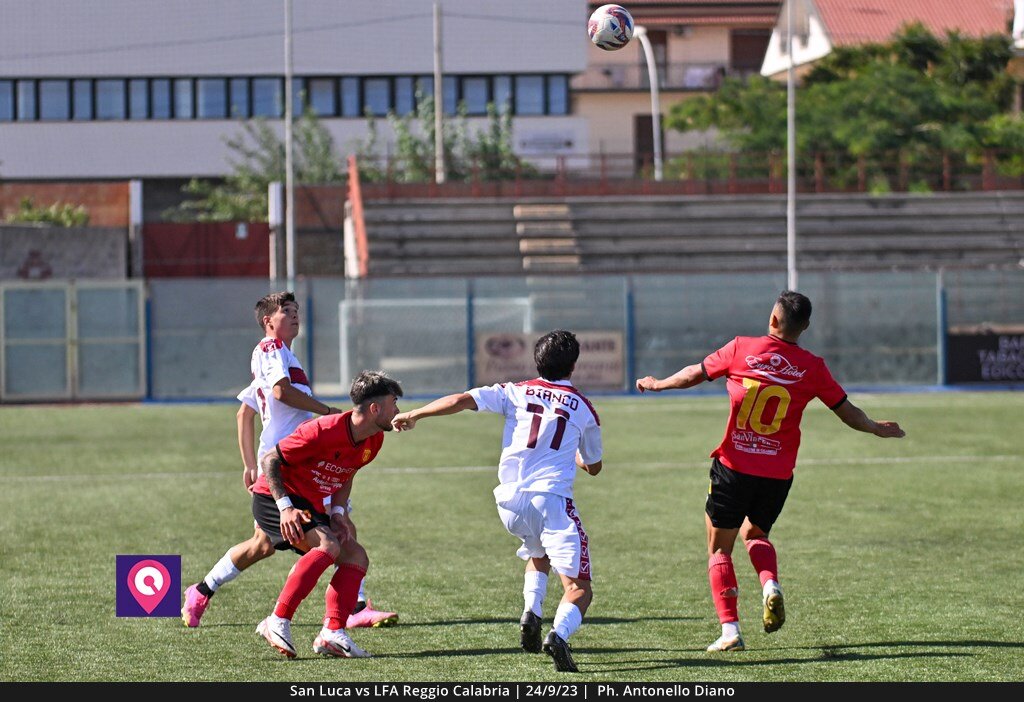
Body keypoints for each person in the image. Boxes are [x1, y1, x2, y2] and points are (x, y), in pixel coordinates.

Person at [635, 290, 905, 652]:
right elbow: (846, 411)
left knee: (719, 549)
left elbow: (692, 375)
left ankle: (730, 630)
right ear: (804, 327)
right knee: (756, 532)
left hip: (734, 467)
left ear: (773, 319)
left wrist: (657, 384)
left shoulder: (741, 348)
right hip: (777, 474)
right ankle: (769, 585)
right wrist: (874, 427)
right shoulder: (812, 367)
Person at [181, 291, 397, 630]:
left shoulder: (277, 358)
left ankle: (201, 590)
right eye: (286, 311)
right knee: (339, 533)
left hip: (292, 462)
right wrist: (326, 412)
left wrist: (249, 462)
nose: (295, 315)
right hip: (293, 465)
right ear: (269, 322)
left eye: (296, 310)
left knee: (263, 545)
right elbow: (280, 392)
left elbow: (244, 413)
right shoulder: (271, 350)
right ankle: (349, 610)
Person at [391, 330, 603, 673]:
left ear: (537, 361)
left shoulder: (515, 391)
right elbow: (593, 466)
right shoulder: (583, 407)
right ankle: (559, 636)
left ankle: (531, 613)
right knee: (579, 589)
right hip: (551, 501)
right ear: (574, 365)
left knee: (538, 554)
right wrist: (577, 456)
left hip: (510, 502)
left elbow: (462, 399)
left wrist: (416, 414)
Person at [253, 370, 403, 659]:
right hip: (273, 498)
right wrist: (285, 508)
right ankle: (277, 620)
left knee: (355, 556)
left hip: (309, 504)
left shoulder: (373, 440)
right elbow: (270, 459)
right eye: (393, 402)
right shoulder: (322, 430)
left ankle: (332, 634)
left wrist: (337, 512)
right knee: (328, 546)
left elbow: (347, 473)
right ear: (375, 408)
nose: (397, 410)